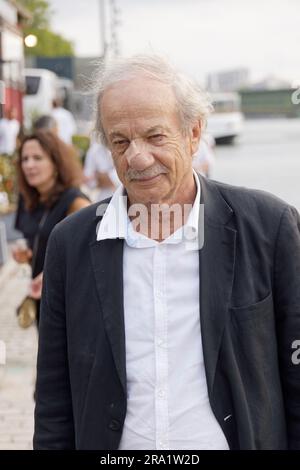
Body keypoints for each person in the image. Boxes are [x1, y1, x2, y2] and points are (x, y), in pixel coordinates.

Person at [34, 55, 300, 450]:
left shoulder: (269, 227)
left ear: (194, 133)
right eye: (120, 142)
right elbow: (54, 398)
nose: (137, 158)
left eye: (155, 136)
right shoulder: (69, 244)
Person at [13, 131, 90, 325]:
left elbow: (87, 256)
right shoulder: (30, 199)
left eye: (37, 158)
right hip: (43, 299)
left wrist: (50, 273)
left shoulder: (75, 202)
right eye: (25, 159)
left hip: (70, 304)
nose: (29, 165)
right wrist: (28, 256)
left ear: (56, 163)